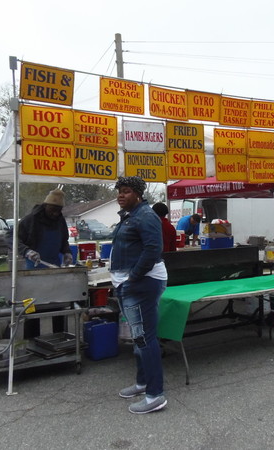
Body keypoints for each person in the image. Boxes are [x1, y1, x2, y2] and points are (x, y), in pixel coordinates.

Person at [109, 176, 168, 414]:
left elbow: (153, 249)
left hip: (142, 283)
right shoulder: (131, 216)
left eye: (126, 191)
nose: (120, 195)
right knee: (139, 337)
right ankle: (143, 383)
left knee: (145, 338)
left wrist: (133, 278)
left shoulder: (146, 216)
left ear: (138, 194)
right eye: (119, 192)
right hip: (131, 282)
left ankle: (155, 395)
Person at [15, 189, 73, 269]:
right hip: (34, 267)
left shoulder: (60, 220)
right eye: (52, 210)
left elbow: (63, 241)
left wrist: (67, 252)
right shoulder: (31, 220)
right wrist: (26, 251)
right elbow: (12, 238)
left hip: (54, 266)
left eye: (58, 211)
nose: (55, 214)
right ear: (45, 206)